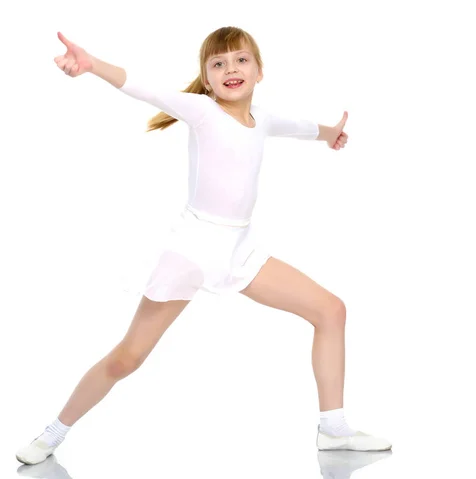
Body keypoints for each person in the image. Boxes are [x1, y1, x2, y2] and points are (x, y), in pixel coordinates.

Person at [16, 26, 392, 465]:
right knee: (127, 358)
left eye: (240, 60)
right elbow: (143, 87)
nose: (230, 69)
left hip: (240, 249)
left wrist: (330, 133)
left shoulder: (262, 119)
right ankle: (52, 433)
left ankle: (333, 429)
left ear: (259, 71)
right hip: (192, 250)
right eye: (218, 64)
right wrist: (91, 64)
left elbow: (299, 127)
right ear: (207, 80)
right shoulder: (201, 111)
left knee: (331, 310)